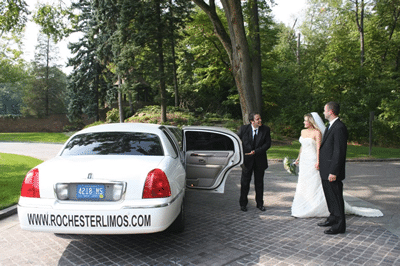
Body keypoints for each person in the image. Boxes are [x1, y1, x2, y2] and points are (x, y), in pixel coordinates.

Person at [291, 111, 383, 222]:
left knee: (315, 183)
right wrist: (298, 158)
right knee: (303, 183)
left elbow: (319, 149)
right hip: (304, 161)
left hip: (313, 160)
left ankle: (318, 206)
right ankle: (303, 204)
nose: (304, 122)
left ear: (311, 122)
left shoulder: (317, 133)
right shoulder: (302, 131)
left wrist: (319, 161)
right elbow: (302, 147)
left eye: (306, 120)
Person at [238, 113, 271, 212]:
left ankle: (260, 204)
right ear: (252, 121)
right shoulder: (244, 129)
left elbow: (268, 144)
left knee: (259, 183)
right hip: (247, 161)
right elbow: (236, 139)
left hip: (260, 161)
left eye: (260, 118)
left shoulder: (266, 129)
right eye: (258, 119)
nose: (260, 120)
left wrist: (256, 151)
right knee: (245, 183)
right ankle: (243, 204)